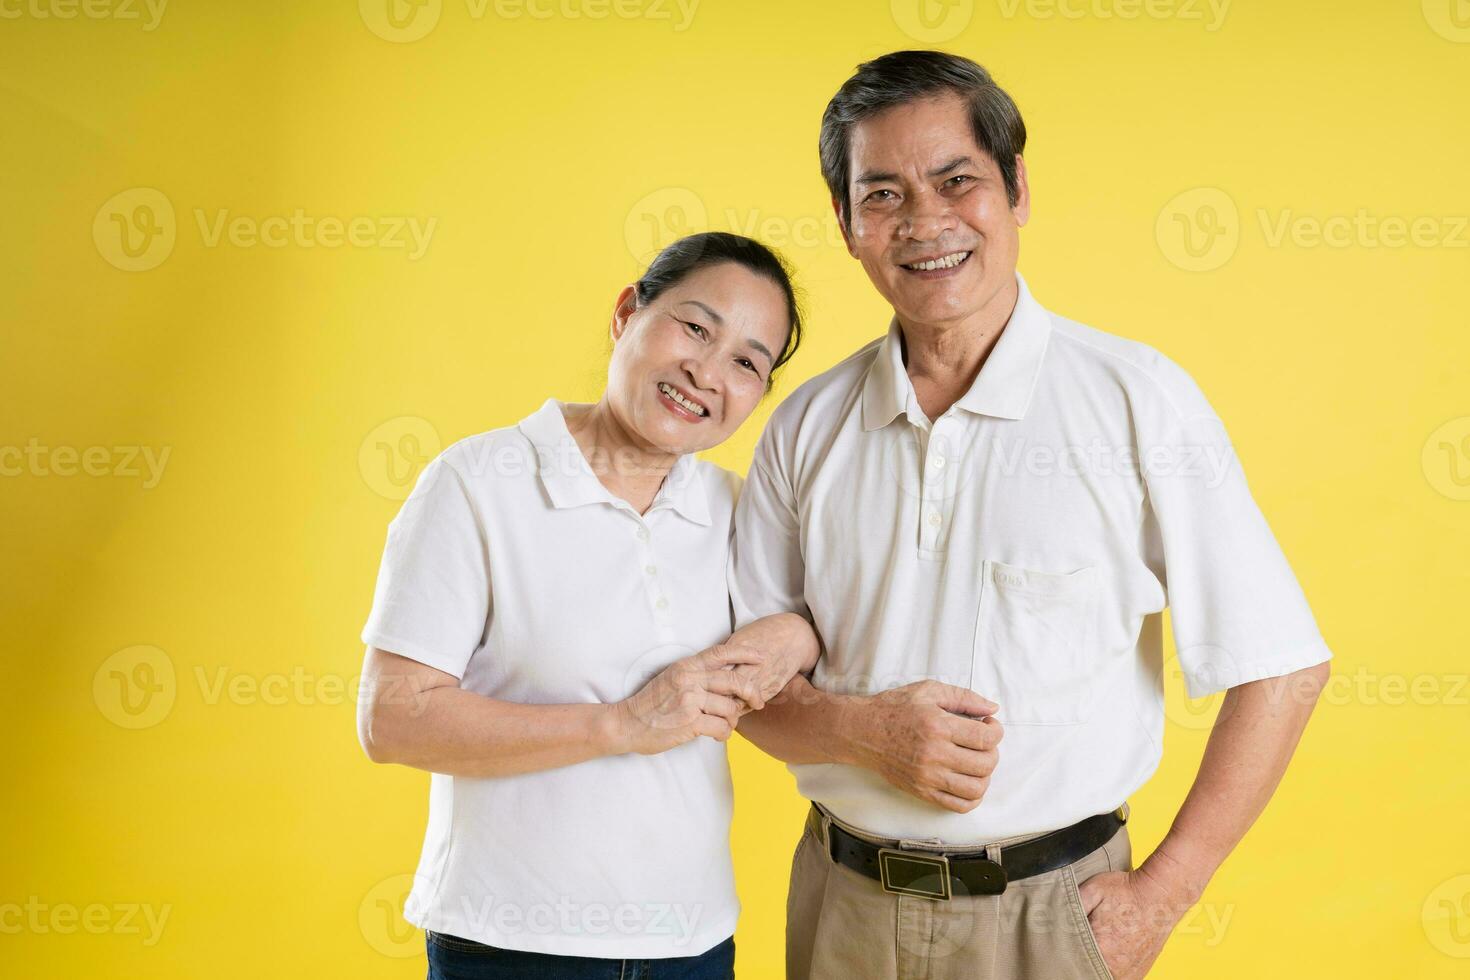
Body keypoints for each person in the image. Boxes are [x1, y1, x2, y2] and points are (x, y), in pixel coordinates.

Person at [730, 50, 1334, 980]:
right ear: (847, 225)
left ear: (1016, 189)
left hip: (1053, 921)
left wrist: (1162, 899)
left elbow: (1283, 668)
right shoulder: (805, 424)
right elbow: (745, 695)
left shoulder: (1137, 401)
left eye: (956, 180)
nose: (925, 221)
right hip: (838, 905)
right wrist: (863, 733)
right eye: (882, 194)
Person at [356, 231, 819, 979]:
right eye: (695, 328)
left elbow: (815, 627)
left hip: (690, 946)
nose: (706, 372)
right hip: (509, 944)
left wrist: (797, 635)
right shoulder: (479, 484)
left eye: (746, 361)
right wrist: (618, 724)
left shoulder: (738, 512)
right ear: (626, 313)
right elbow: (392, 718)